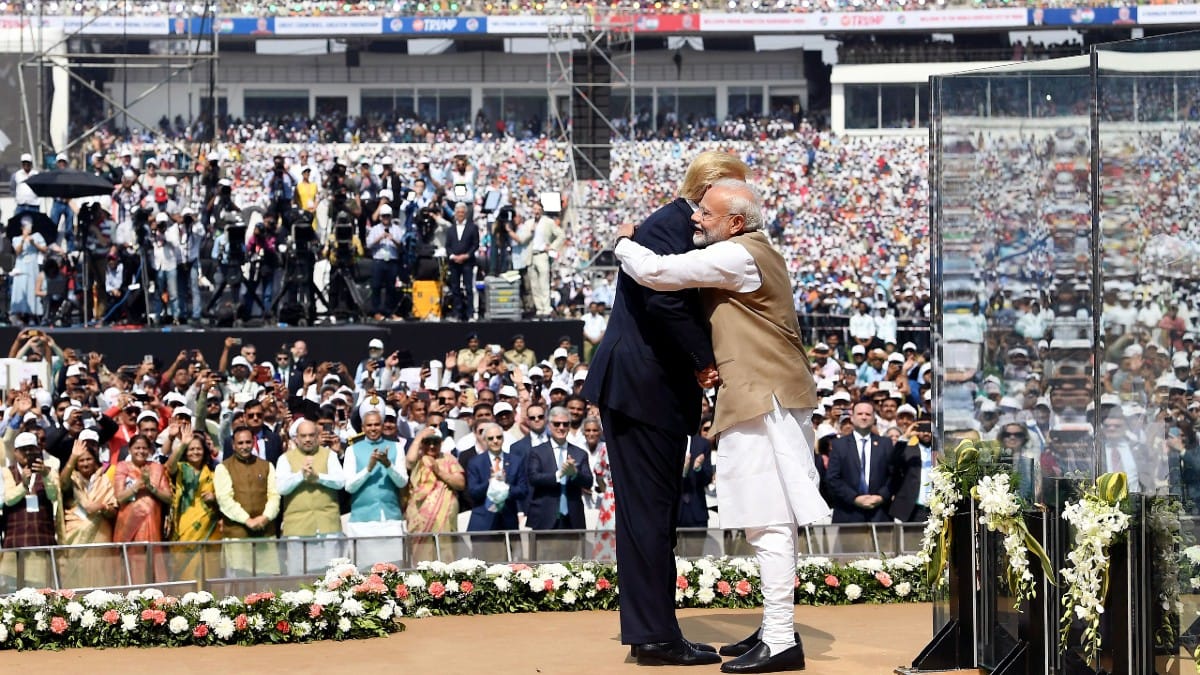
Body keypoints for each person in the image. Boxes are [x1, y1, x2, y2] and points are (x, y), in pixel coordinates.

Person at [612, 176, 825, 673]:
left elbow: (658, 273)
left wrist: (622, 239)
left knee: (768, 521)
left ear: (733, 222)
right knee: (767, 520)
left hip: (762, 397)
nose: (694, 218)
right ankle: (775, 628)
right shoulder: (751, 249)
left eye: (705, 212)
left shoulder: (739, 254)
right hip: (762, 395)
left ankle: (778, 638)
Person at [582, 151, 741, 667]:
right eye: (734, 189)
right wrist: (704, 360)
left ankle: (654, 629)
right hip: (643, 389)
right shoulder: (669, 225)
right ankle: (654, 636)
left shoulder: (670, 224)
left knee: (652, 516)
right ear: (711, 187)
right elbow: (664, 301)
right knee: (649, 516)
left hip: (643, 390)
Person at [277, 419, 345, 573]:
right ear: (296, 438)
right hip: (297, 527)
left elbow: (340, 481)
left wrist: (318, 477)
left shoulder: (329, 455)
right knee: (298, 575)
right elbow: (281, 488)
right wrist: (301, 475)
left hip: (327, 526)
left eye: (311, 435)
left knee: (332, 575)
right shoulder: (285, 458)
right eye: (303, 436)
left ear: (317, 436)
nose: (307, 439)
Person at [344, 410, 409, 566]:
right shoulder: (352, 449)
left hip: (390, 518)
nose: (373, 428)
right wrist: (368, 468)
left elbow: (402, 482)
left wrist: (388, 465)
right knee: (363, 573)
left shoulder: (396, 447)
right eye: (369, 425)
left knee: (394, 571)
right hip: (362, 521)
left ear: (382, 425)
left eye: (377, 424)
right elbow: (349, 487)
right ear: (363, 427)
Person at [214, 425, 281, 577]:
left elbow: (274, 495)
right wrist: (247, 520)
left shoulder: (266, 466)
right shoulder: (223, 468)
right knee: (239, 586)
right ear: (233, 445)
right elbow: (224, 500)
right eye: (240, 443)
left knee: (266, 586)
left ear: (254, 442)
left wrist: (265, 517)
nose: (244, 447)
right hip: (237, 535)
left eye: (248, 442)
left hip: (264, 533)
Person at [1, 432, 60, 590]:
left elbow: (54, 495)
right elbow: (7, 499)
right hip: (15, 541)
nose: (27, 454)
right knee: (12, 591)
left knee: (42, 592)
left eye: (31, 449)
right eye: (23, 449)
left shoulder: (49, 471)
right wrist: (23, 485)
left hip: (41, 540)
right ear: (15, 452)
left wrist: (45, 475)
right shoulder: (7, 472)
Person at [164, 415, 221, 580]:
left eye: (198, 449)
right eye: (191, 449)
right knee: (185, 575)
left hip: (209, 528)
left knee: (209, 573)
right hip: (184, 527)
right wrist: (183, 443)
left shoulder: (213, 473)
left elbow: (225, 497)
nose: (195, 452)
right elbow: (169, 466)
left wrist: (215, 498)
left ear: (205, 451)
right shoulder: (181, 469)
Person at [59, 433, 119, 588]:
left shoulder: (104, 480)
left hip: (100, 534)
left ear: (95, 461)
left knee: (101, 575)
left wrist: (101, 506)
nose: (85, 463)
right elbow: (61, 483)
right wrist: (73, 457)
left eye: (88, 459)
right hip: (75, 535)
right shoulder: (73, 479)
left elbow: (113, 510)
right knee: (75, 576)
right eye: (81, 460)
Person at [113, 433, 172, 584]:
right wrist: (137, 486)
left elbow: (168, 497)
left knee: (152, 567)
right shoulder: (122, 467)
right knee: (131, 565)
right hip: (129, 525)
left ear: (150, 450)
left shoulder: (157, 468)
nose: (141, 451)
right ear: (130, 449)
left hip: (152, 523)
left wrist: (151, 488)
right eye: (137, 448)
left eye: (144, 448)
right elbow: (119, 498)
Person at [826, 401, 896, 524]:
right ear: (852, 418)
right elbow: (832, 478)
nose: (864, 417)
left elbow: (894, 476)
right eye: (860, 414)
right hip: (847, 513)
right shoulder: (839, 445)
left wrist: (880, 497)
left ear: (874, 418)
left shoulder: (886, 444)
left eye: (868, 414)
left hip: (879, 514)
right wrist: (854, 498)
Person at [524, 407, 593, 530]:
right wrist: (559, 474)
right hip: (544, 516)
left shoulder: (580, 453)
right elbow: (533, 478)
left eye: (565, 424)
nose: (561, 427)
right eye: (557, 424)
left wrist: (575, 473)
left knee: (574, 550)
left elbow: (589, 482)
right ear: (549, 425)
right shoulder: (537, 452)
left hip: (572, 518)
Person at [404, 428, 465, 563]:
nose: (431, 446)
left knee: (445, 554)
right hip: (420, 516)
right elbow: (409, 460)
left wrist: (439, 472)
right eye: (427, 442)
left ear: (441, 443)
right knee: (420, 557)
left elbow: (460, 483)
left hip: (444, 515)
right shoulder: (419, 458)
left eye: (435, 442)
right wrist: (420, 436)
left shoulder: (448, 459)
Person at [465, 422, 528, 532]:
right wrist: (490, 482)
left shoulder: (515, 461)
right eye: (491, 438)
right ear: (485, 440)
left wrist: (505, 485)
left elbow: (523, 491)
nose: (495, 441)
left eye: (499, 437)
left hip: (508, 522)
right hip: (483, 523)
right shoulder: (475, 462)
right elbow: (473, 492)